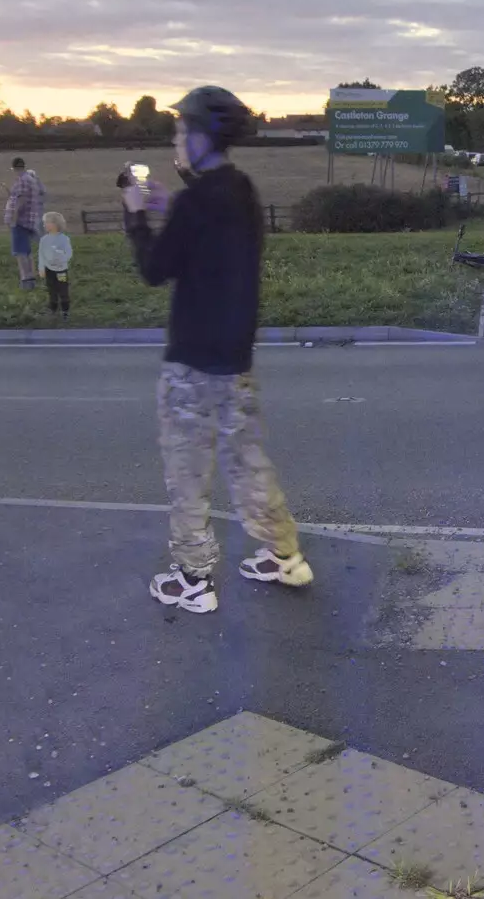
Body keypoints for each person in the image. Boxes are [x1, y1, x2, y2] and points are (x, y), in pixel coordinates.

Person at [122, 85, 311, 615]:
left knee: (187, 471)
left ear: (203, 135)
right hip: (235, 359)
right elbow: (206, 224)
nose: (177, 138)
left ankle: (192, 579)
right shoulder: (239, 190)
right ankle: (285, 556)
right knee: (248, 462)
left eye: (182, 129)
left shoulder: (197, 202)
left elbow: (154, 269)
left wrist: (137, 216)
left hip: (191, 362)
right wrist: (175, 199)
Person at [5, 156, 45, 290]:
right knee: (26, 252)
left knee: (20, 253)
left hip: (21, 221)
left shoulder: (22, 180)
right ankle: (31, 278)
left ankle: (26, 280)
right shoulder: (30, 180)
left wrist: (14, 218)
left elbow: (21, 200)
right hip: (29, 220)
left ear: (15, 168)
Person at [39, 211, 73, 318]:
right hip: (49, 270)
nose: (44, 225)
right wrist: (41, 268)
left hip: (61, 271)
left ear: (55, 224)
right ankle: (52, 308)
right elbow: (41, 255)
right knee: (51, 289)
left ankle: (65, 310)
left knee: (63, 289)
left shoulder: (64, 239)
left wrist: (60, 258)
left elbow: (68, 253)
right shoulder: (44, 240)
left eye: (46, 222)